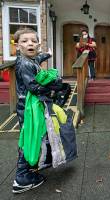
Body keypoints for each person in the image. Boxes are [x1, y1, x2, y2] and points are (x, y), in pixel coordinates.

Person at [13, 28, 53, 193]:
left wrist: (47, 55)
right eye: (24, 41)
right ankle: (21, 177)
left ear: (38, 45)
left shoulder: (30, 59)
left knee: (35, 136)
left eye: (33, 41)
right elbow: (34, 87)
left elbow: (37, 58)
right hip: (28, 109)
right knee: (29, 138)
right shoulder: (25, 64)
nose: (30, 43)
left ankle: (33, 165)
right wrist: (53, 87)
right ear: (17, 46)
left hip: (30, 106)